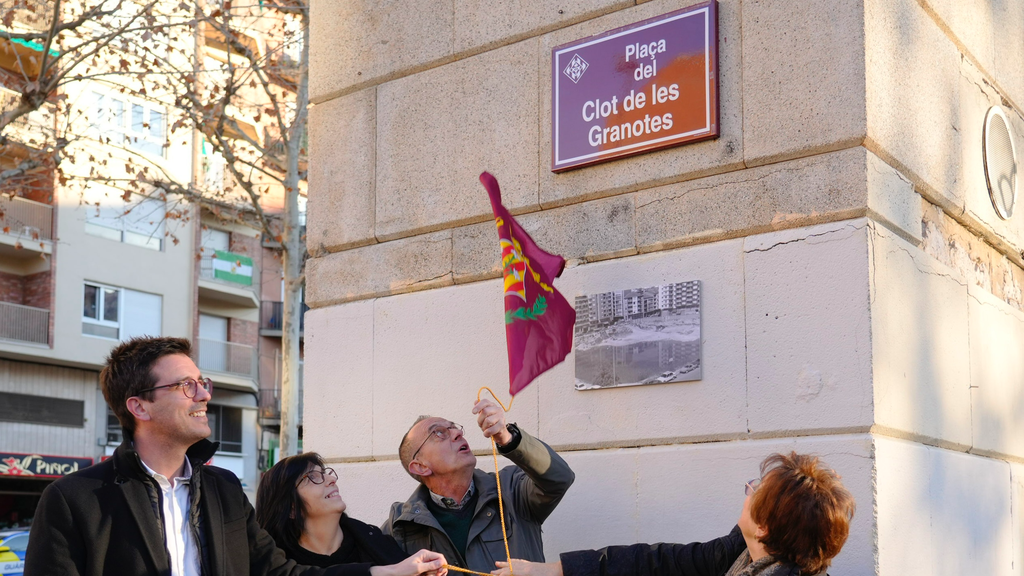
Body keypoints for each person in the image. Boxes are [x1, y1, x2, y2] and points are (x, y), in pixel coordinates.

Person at [24, 336, 446, 576]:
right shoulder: (75, 499)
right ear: (140, 407)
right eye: (186, 386)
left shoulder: (224, 490)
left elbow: (283, 575)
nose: (204, 394)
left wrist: (388, 572)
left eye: (202, 382)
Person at [490, 452, 855, 576]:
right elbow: (657, 562)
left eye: (753, 491)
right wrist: (551, 570)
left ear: (763, 527)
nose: (747, 493)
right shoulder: (744, 553)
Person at [383, 399, 576, 574]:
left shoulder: (512, 488)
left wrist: (509, 439)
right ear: (421, 466)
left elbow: (560, 479)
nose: (457, 433)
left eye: (454, 427)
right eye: (439, 433)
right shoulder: (400, 524)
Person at [256, 452, 447, 576]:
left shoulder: (376, 543)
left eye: (326, 472)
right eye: (312, 477)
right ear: (290, 508)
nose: (331, 479)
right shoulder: (274, 564)